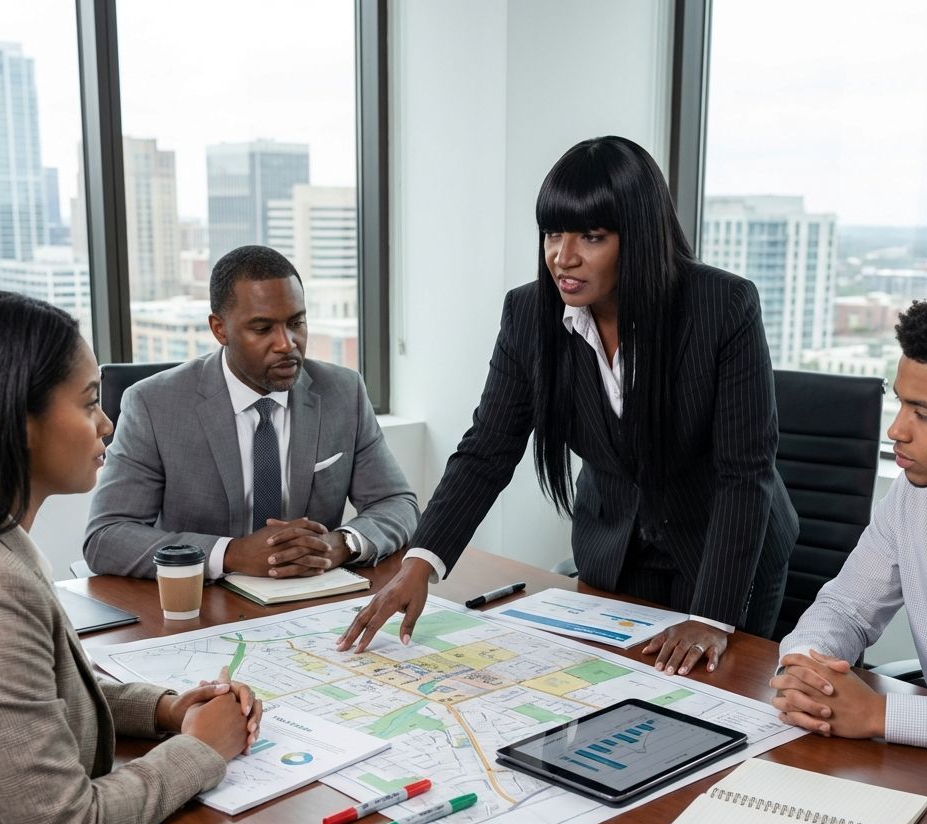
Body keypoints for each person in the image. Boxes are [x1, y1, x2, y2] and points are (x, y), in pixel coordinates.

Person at [339, 136, 797, 671]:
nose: (564, 255)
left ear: (640, 237)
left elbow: (746, 473)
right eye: (553, 233)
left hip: (723, 556)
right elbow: (487, 449)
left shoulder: (722, 306)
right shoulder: (528, 313)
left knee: (712, 705)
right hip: (614, 549)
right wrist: (419, 564)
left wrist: (711, 617)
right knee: (605, 697)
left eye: (592, 236)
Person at [0, 291, 264, 824]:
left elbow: (35, 704)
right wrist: (201, 750)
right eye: (88, 402)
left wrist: (167, 709)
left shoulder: (4, 544)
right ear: (21, 422)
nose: (106, 423)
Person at [84, 244, 419, 581]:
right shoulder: (154, 405)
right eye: (263, 329)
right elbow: (106, 536)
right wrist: (232, 554)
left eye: (296, 323)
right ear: (220, 329)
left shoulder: (343, 393)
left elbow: (397, 503)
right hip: (203, 605)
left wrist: (340, 544)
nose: (286, 344)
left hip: (310, 602)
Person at [770, 281, 927, 757]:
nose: (896, 430)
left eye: (924, 414)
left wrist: (880, 714)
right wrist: (806, 666)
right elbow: (847, 607)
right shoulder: (915, 493)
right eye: (900, 402)